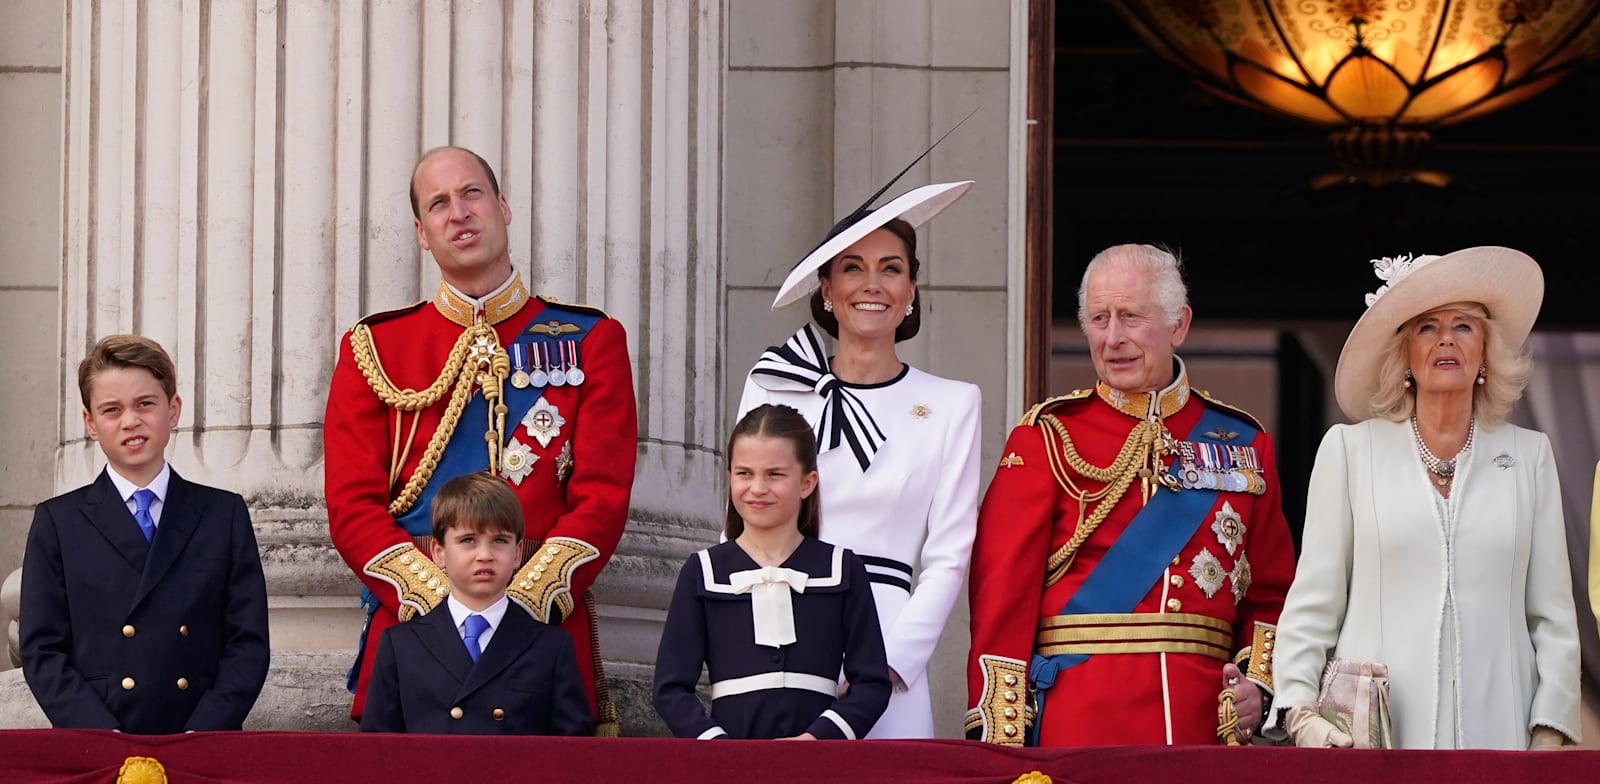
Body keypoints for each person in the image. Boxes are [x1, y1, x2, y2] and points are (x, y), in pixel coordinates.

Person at [324, 146, 637, 730]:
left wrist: (521, 600)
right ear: (421, 233)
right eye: (438, 203)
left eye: (471, 193)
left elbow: (603, 496)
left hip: (541, 629)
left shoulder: (592, 339)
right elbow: (351, 505)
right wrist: (441, 605)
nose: (458, 213)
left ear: (503, 207)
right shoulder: (375, 348)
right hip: (413, 632)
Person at [966, 244, 1296, 746]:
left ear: (1178, 325)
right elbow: (1001, 599)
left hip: (1202, 726)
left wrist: (1257, 684)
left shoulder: (1245, 442)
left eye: (1130, 317)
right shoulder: (1048, 436)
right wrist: (1002, 738)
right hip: (1078, 720)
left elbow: (1271, 591)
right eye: (1099, 319)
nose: (1113, 338)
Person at [1270, 247, 1580, 750]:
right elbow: (1313, 603)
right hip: (1372, 742)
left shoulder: (1529, 456)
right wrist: (1300, 713)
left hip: (1502, 739)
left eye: (1463, 325)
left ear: (1485, 351)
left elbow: (1552, 616)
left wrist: (1548, 731)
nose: (1445, 341)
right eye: (1426, 327)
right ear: (1405, 353)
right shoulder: (1351, 451)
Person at [738, 179, 980, 738]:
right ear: (825, 287)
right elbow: (739, 527)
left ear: (912, 288)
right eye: (852, 267)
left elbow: (949, 556)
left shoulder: (952, 403)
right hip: (779, 630)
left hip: (887, 643)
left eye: (891, 268)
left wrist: (889, 664)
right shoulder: (775, 386)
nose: (872, 284)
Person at [20, 335, 270, 733]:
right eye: (111, 409)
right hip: (99, 743)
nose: (130, 421)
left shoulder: (223, 515)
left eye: (145, 404)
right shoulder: (58, 522)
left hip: (201, 739)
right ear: (90, 423)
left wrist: (202, 733)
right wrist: (104, 736)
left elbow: (248, 642)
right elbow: (42, 649)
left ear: (173, 410)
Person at [652, 404, 891, 740]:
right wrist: (715, 745)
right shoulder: (703, 571)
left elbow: (872, 683)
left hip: (821, 764)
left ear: (807, 483)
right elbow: (670, 688)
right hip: (727, 765)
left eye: (775, 474)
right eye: (744, 473)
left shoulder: (843, 568)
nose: (758, 488)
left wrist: (819, 739)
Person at [360, 472, 592, 735]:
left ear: (517, 554)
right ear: (439, 553)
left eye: (499, 541)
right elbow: (377, 754)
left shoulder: (550, 647)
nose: (485, 555)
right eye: (468, 540)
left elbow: (573, 758)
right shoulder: (401, 645)